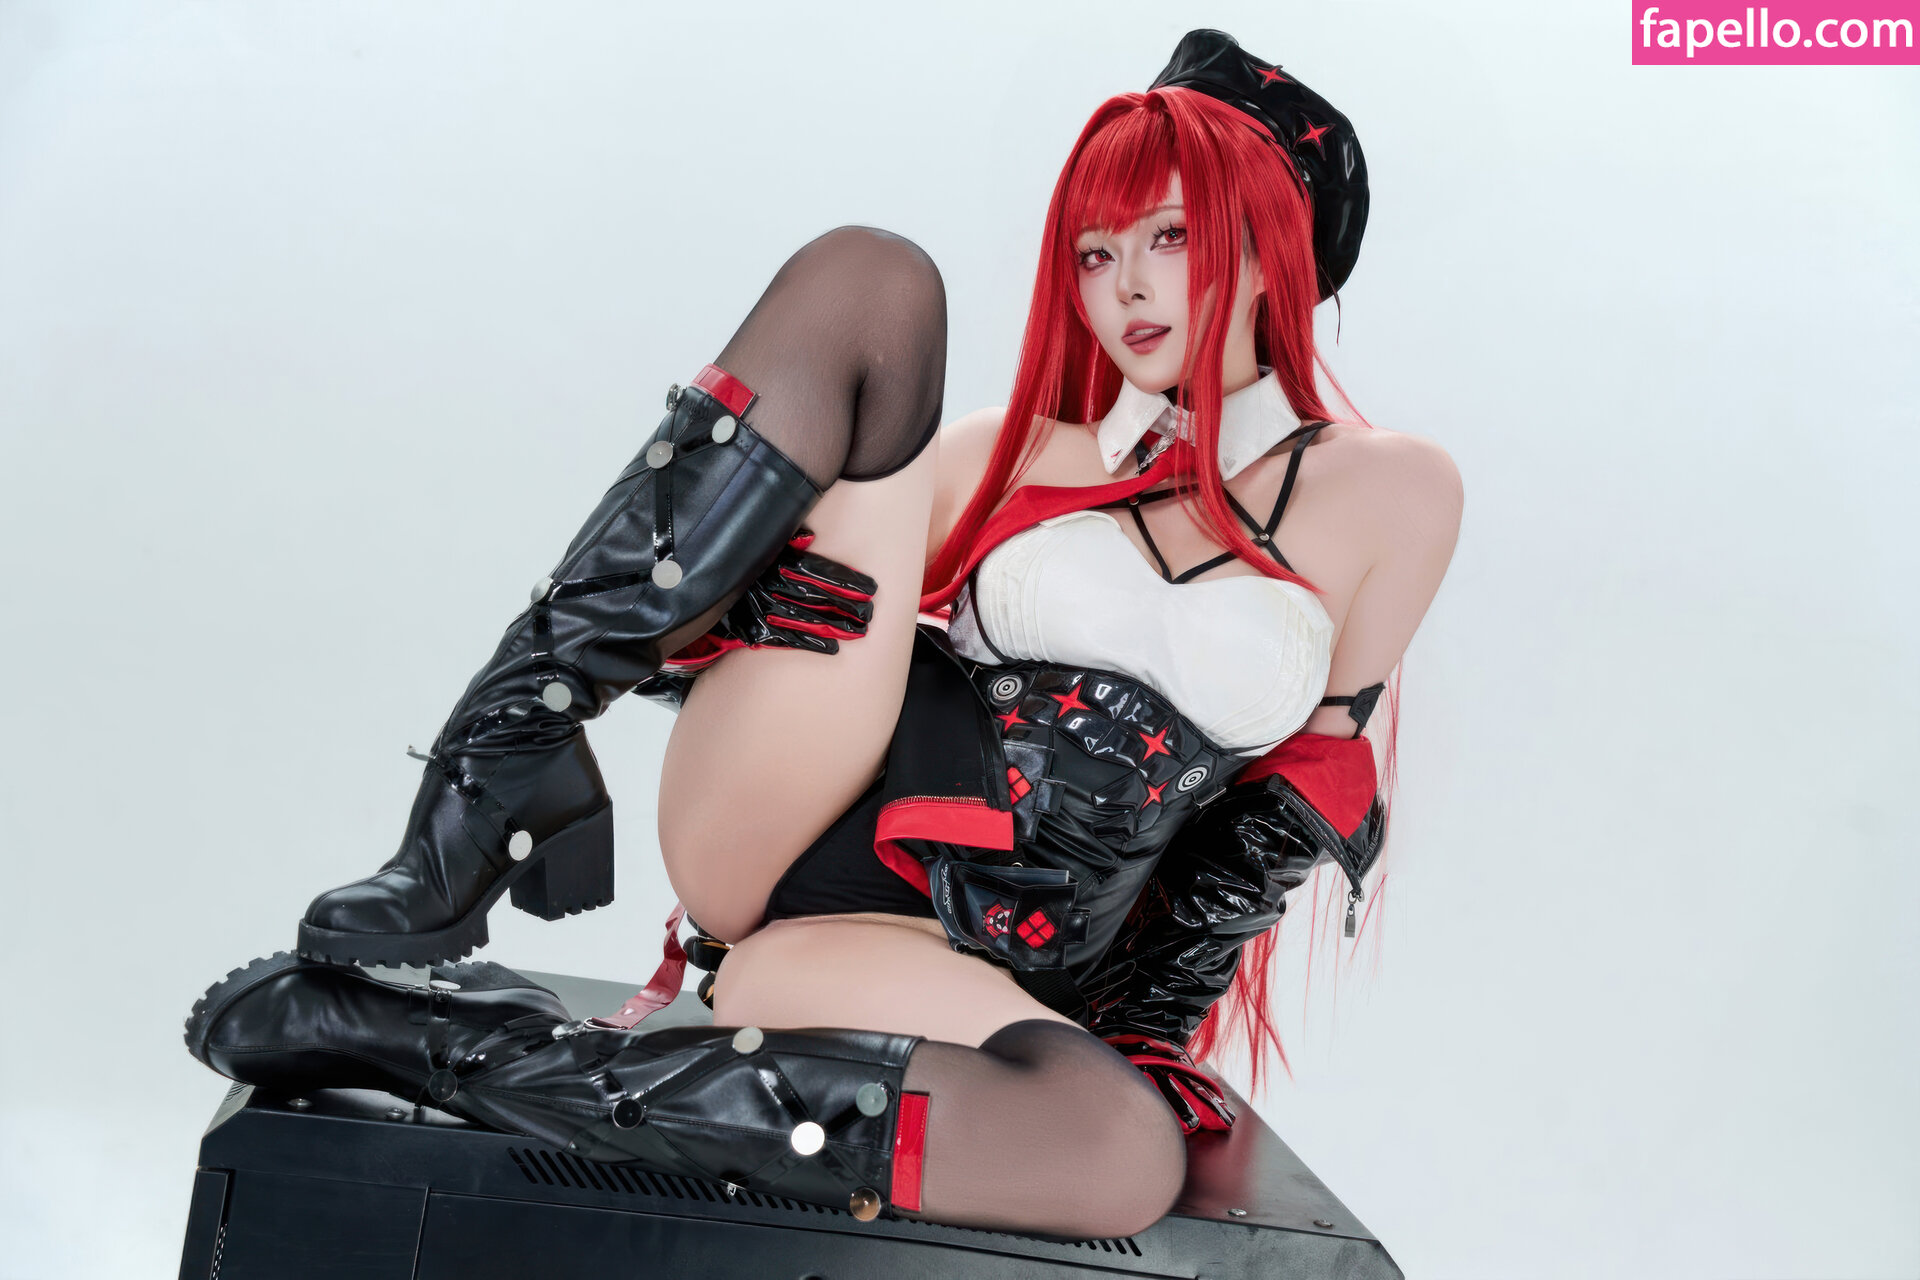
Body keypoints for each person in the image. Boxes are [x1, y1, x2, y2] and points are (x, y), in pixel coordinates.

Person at [183, 30, 1462, 1240]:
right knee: (876, 284)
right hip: (784, 825)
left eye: (1169, 236)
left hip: (919, 965)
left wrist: (1139, 1038)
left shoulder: (1392, 495)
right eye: (1093, 249)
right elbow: (750, 609)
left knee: (1118, 1152)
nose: (1122, 283)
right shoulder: (1012, 453)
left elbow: (1280, 814)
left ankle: (422, 1039)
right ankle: (496, 771)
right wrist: (746, 610)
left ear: (1270, 246)